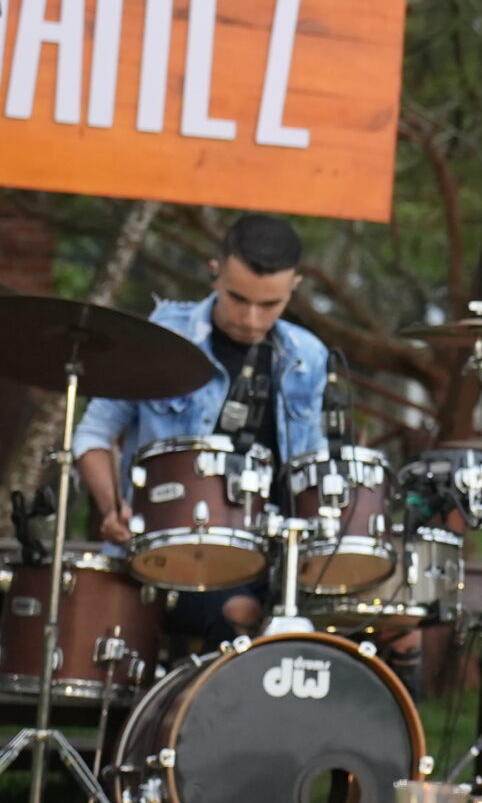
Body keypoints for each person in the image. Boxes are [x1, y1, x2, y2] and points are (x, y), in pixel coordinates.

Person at [73, 213, 330, 642]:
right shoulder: (160, 338)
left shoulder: (309, 356)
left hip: (275, 555)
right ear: (215, 271)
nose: (251, 318)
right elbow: (92, 435)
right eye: (238, 298)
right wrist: (112, 505)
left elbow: (313, 462)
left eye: (270, 305)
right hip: (172, 550)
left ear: (294, 287)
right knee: (241, 615)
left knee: (372, 620)